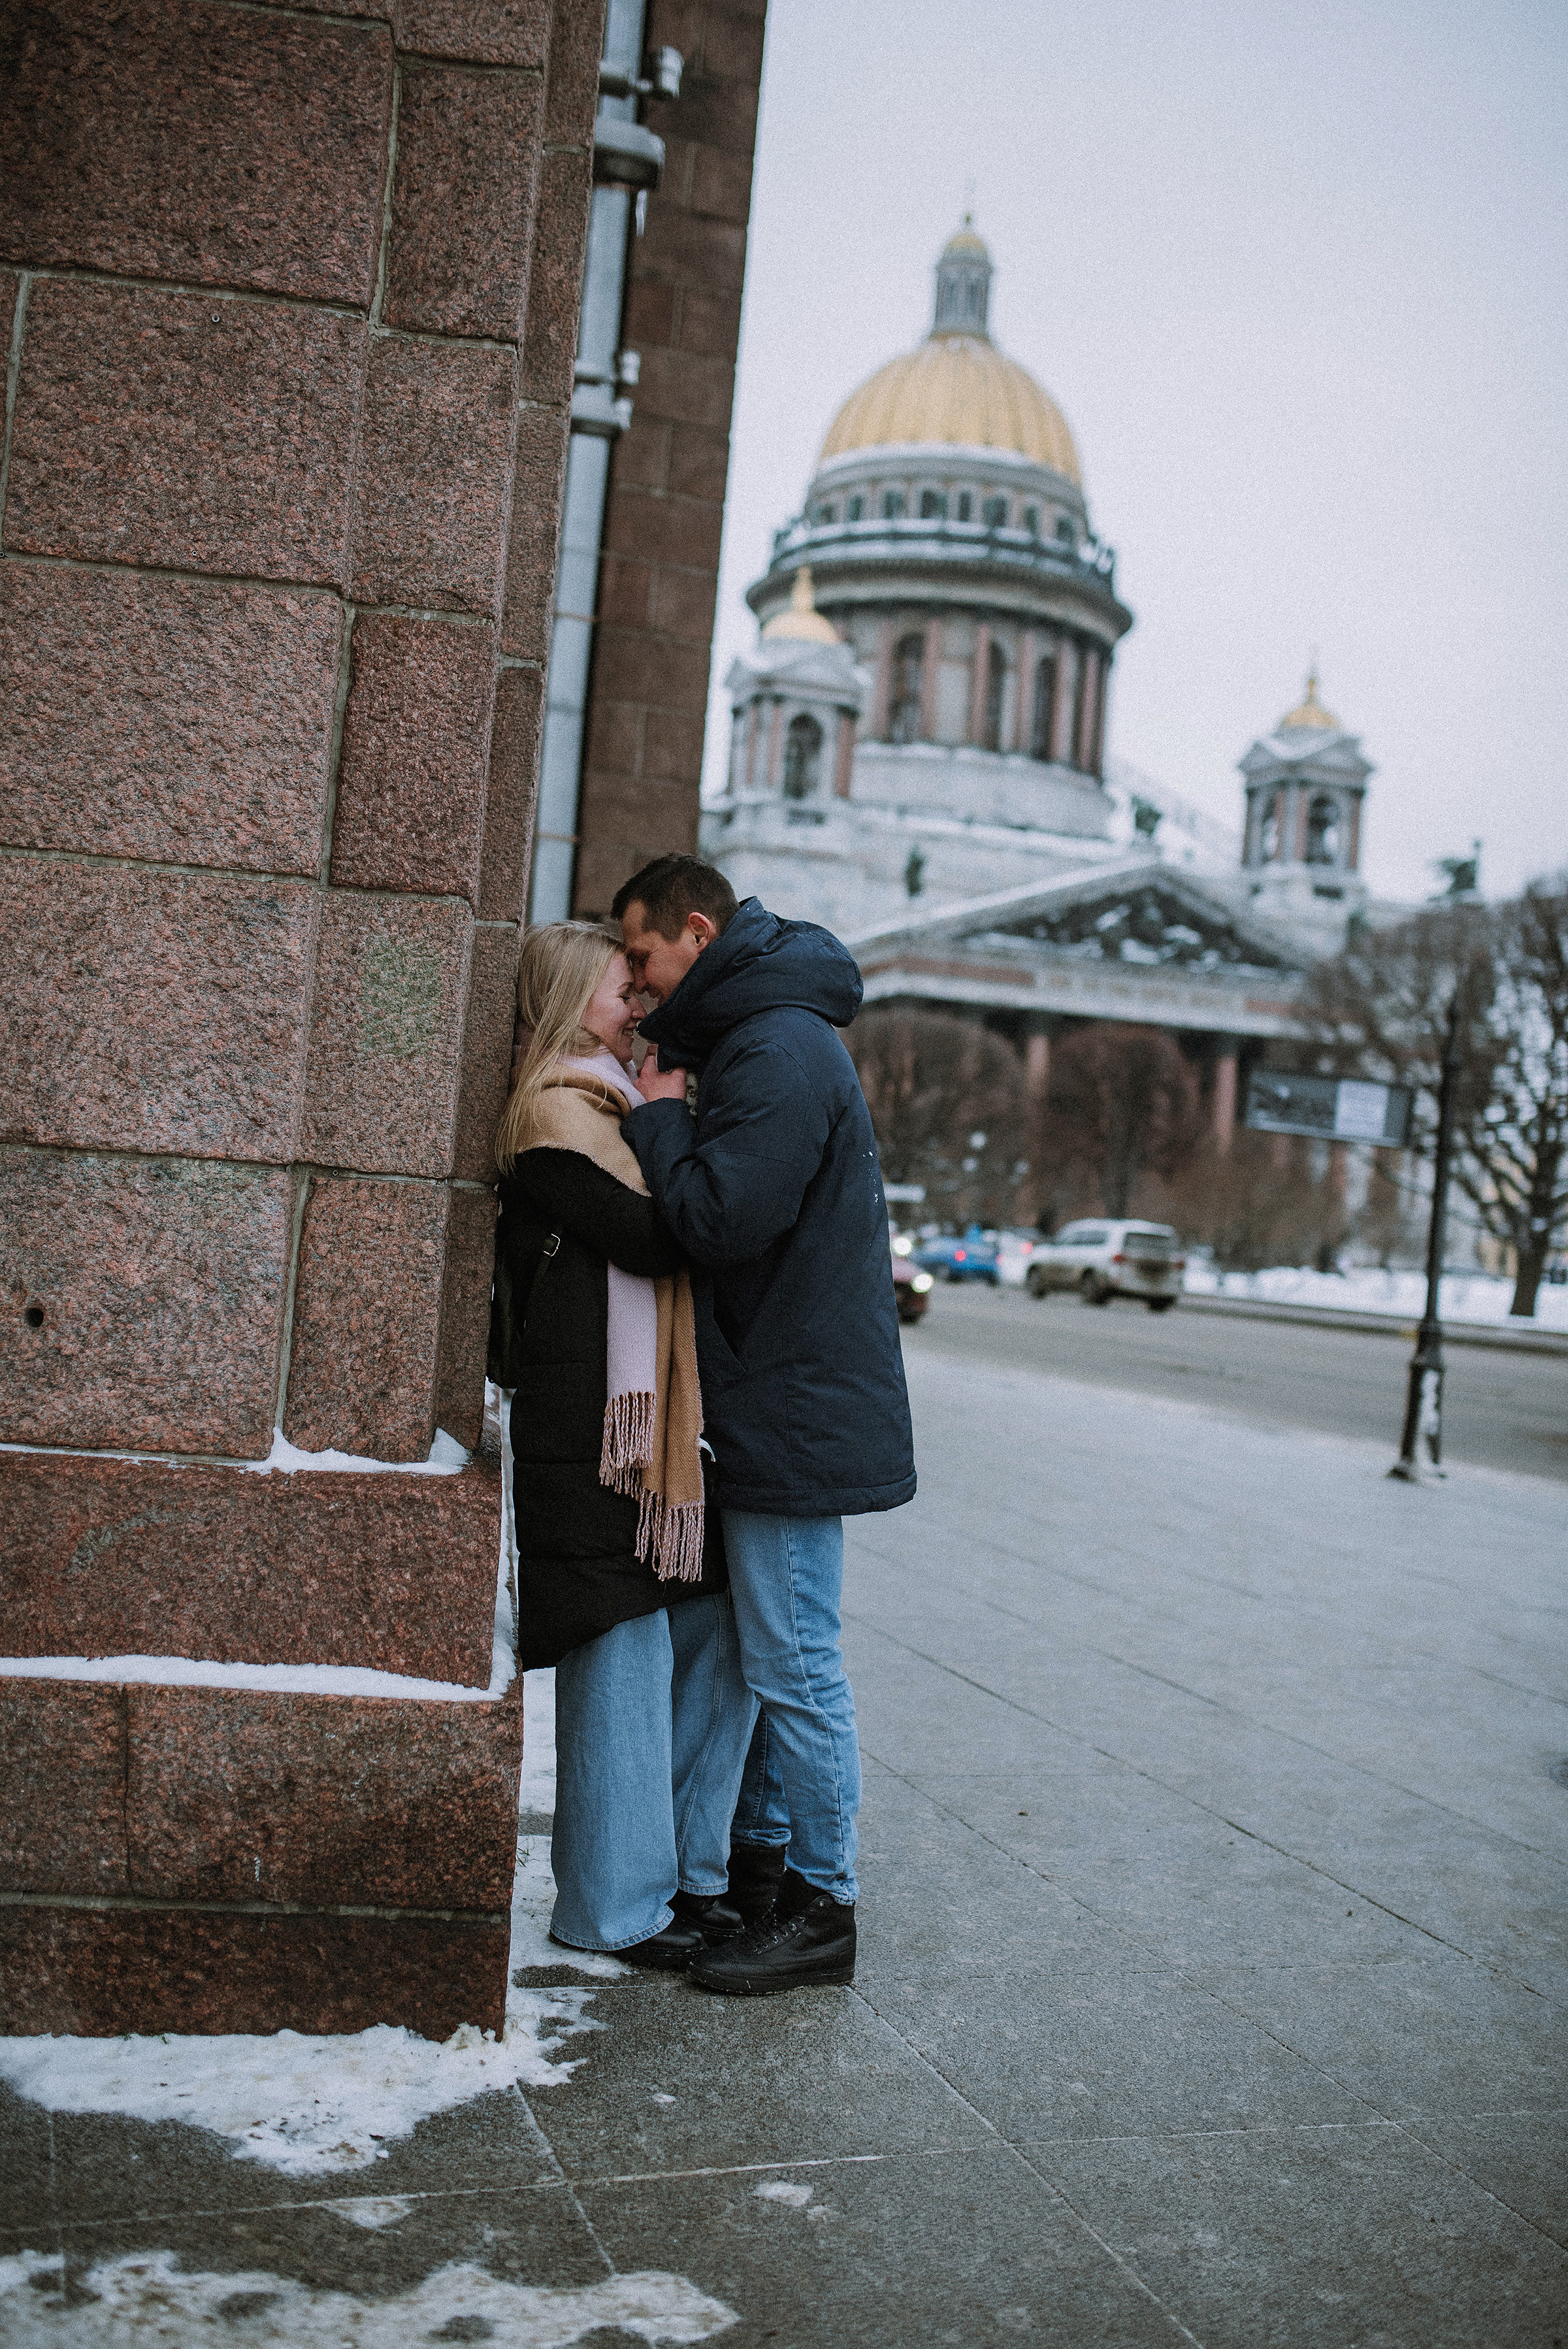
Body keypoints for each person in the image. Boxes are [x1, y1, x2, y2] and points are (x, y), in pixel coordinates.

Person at [614, 855, 917, 1995]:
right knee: (772, 1654)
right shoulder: (758, 1039)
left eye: (642, 958)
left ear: (698, 932)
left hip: (790, 1404)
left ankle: (824, 1907)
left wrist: (652, 1123)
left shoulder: (779, 1046)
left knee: (796, 1664)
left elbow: (723, 1220)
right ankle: (775, 1879)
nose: (635, 988)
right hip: (782, 1395)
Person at [488, 921, 755, 1968]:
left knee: (702, 1633)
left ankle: (675, 1873)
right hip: (589, 1435)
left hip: (633, 1438)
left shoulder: (612, 1104)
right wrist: (670, 1125)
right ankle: (612, 1906)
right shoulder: (559, 1114)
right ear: (567, 1001)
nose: (634, 1007)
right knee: (622, 1652)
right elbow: (658, 1235)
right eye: (616, 991)